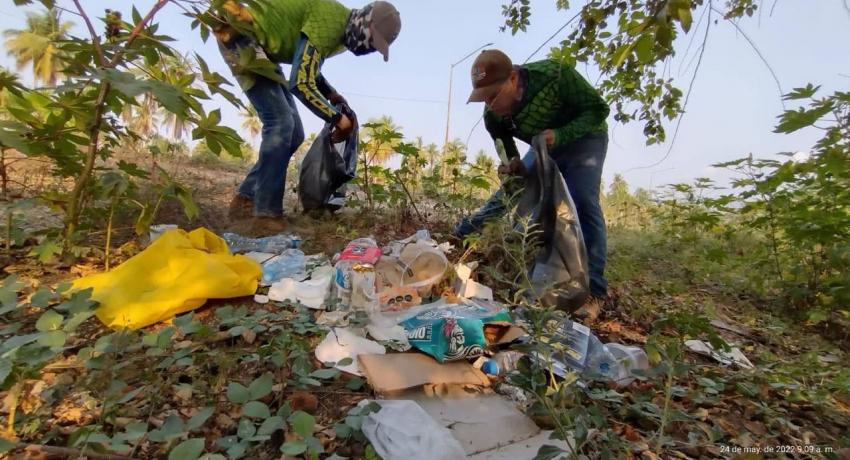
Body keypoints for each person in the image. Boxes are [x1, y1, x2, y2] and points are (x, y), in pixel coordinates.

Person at [213, 0, 401, 233]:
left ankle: (245, 200)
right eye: (372, 41)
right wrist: (336, 118)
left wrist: (330, 93)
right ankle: (266, 215)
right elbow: (301, 82)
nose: (369, 48)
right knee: (281, 123)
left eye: (375, 47)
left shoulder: (340, 34)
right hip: (239, 29)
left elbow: (308, 64)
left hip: (260, 47)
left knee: (295, 134)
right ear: (364, 21)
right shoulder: (331, 23)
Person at [456, 49, 611, 300]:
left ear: (514, 78)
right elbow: (508, 153)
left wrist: (561, 136)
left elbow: (598, 110)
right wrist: (512, 166)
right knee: (511, 192)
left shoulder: (555, 76)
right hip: (542, 146)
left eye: (493, 96)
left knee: (583, 201)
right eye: (484, 99)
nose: (491, 105)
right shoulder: (493, 116)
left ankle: (595, 291)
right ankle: (459, 236)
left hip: (585, 139)